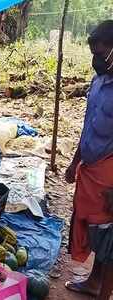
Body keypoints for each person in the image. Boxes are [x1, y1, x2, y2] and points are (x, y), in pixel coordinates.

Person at [65, 20, 113, 300]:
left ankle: (104, 292)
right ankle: (94, 281)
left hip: (108, 174)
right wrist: (74, 162)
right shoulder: (97, 82)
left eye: (101, 52)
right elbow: (88, 126)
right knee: (94, 231)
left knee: (109, 240)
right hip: (90, 168)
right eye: (93, 52)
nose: (96, 58)